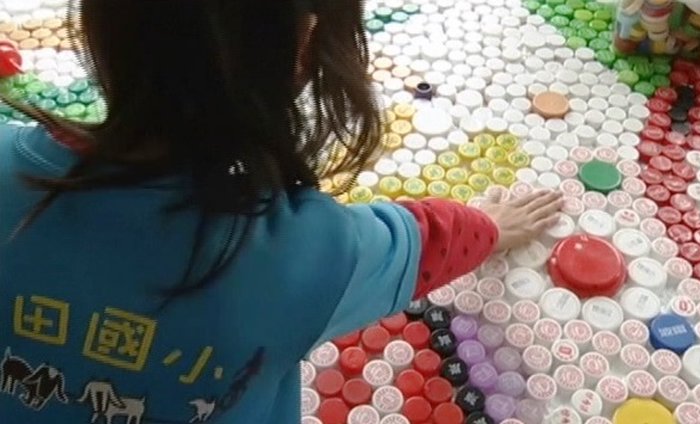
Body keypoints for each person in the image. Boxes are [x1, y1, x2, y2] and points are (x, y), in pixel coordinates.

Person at [0, 1, 562, 423]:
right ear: (303, 45)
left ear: (93, 26)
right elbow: (424, 241)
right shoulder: (309, 251)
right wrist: (492, 227)